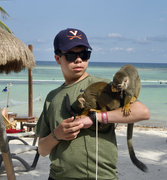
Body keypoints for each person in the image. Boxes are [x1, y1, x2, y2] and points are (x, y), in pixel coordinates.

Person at [36, 28, 150, 180]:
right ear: (57, 58)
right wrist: (58, 134)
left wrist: (94, 118)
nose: (78, 60)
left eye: (84, 55)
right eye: (70, 55)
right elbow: (42, 150)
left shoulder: (104, 86)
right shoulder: (52, 97)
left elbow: (142, 112)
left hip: (102, 176)